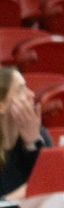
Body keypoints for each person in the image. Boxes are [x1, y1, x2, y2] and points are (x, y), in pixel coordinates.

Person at [0, 67, 50, 200]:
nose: (31, 94)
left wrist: (33, 142)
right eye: (21, 89)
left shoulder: (38, 134)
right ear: (1, 105)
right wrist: (28, 191)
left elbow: (55, 184)